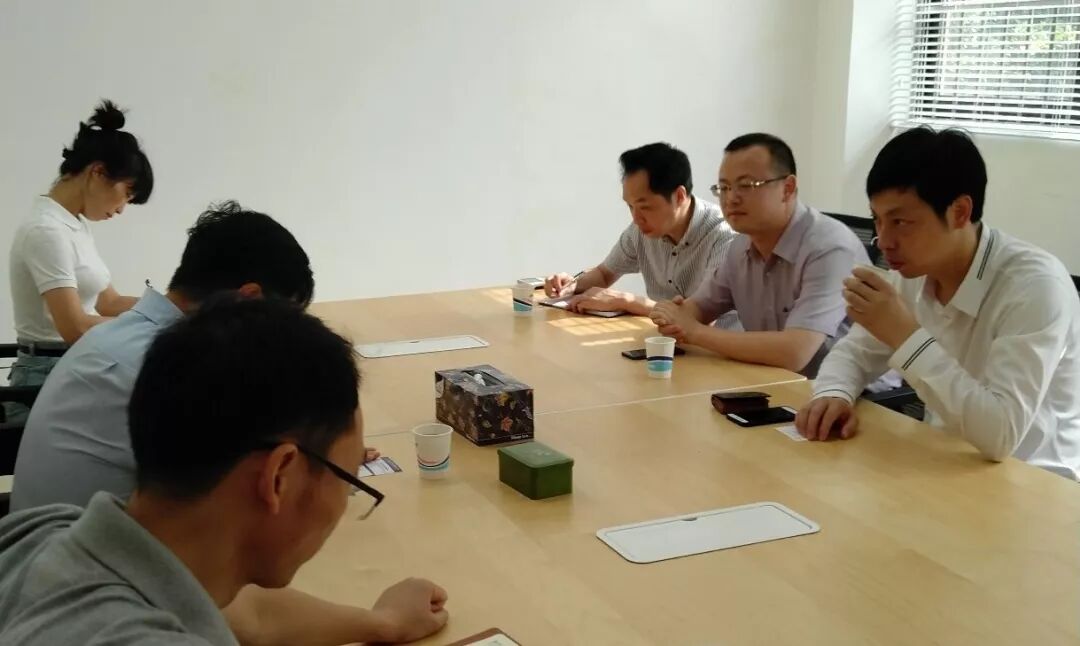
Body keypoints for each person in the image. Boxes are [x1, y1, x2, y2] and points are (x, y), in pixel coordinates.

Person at [10, 201, 448, 644]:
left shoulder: (45, 532)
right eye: (348, 479)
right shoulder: (184, 372)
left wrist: (383, 622)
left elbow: (241, 613)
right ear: (280, 474)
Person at [795, 127, 1080, 479]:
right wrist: (834, 393)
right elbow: (854, 353)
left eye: (900, 222)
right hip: (943, 462)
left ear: (960, 211)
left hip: (1034, 483)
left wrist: (905, 335)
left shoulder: (1035, 288)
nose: (883, 241)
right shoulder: (915, 272)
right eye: (877, 220)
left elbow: (1001, 435)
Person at [649, 133, 872, 378]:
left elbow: (795, 352)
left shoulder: (829, 248)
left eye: (746, 185)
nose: (731, 198)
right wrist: (674, 316)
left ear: (787, 188)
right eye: (724, 187)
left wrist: (694, 331)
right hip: (774, 382)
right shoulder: (741, 245)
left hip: (852, 393)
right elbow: (698, 308)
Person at [7, 100, 152, 395]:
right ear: (97, 172)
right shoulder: (46, 230)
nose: (122, 209)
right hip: (45, 375)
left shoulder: (73, 224)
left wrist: (174, 310)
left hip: (75, 363)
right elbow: (75, 327)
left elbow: (109, 302)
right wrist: (152, 330)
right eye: (126, 194)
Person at [543, 142, 736, 318]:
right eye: (630, 206)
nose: (635, 218)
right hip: (664, 338)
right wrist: (572, 284)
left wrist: (627, 301)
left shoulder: (724, 235)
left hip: (717, 343)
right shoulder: (640, 230)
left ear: (679, 196)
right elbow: (604, 273)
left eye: (645, 207)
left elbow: (699, 316)